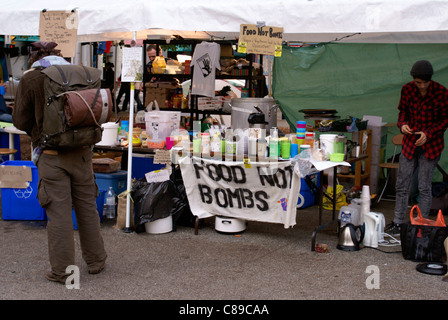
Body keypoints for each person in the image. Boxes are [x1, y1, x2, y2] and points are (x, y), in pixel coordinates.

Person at [12, 41, 107, 284]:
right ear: (58, 55)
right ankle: (96, 261)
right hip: (83, 150)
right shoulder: (80, 72)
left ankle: (63, 271)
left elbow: (20, 121)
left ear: (34, 57)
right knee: (87, 206)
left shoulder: (32, 78)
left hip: (52, 155)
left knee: (60, 213)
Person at [385, 60, 448, 235]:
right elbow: (402, 111)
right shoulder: (407, 89)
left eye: (424, 83)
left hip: (432, 145)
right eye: (418, 82)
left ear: (430, 80)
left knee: (424, 186)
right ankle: (398, 222)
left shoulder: (442, 92)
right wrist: (402, 124)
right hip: (409, 143)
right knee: (402, 184)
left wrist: (428, 133)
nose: (421, 86)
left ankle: (422, 225)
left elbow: (444, 119)